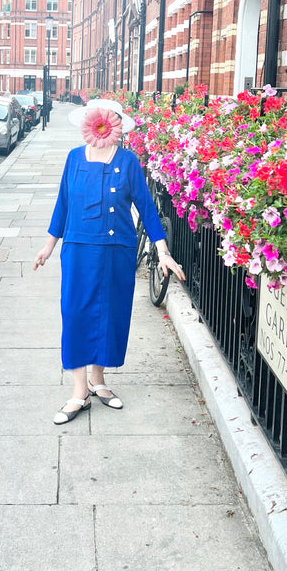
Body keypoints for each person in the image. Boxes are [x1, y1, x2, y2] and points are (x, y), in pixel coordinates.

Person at [33, 98, 185, 424]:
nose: (100, 126)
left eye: (107, 121)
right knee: (75, 314)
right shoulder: (74, 158)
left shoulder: (128, 161)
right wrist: (48, 246)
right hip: (78, 250)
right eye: (95, 119)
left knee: (108, 315)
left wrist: (163, 251)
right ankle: (79, 393)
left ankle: (98, 381)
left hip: (116, 251)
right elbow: (63, 204)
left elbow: (146, 208)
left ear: (116, 126)